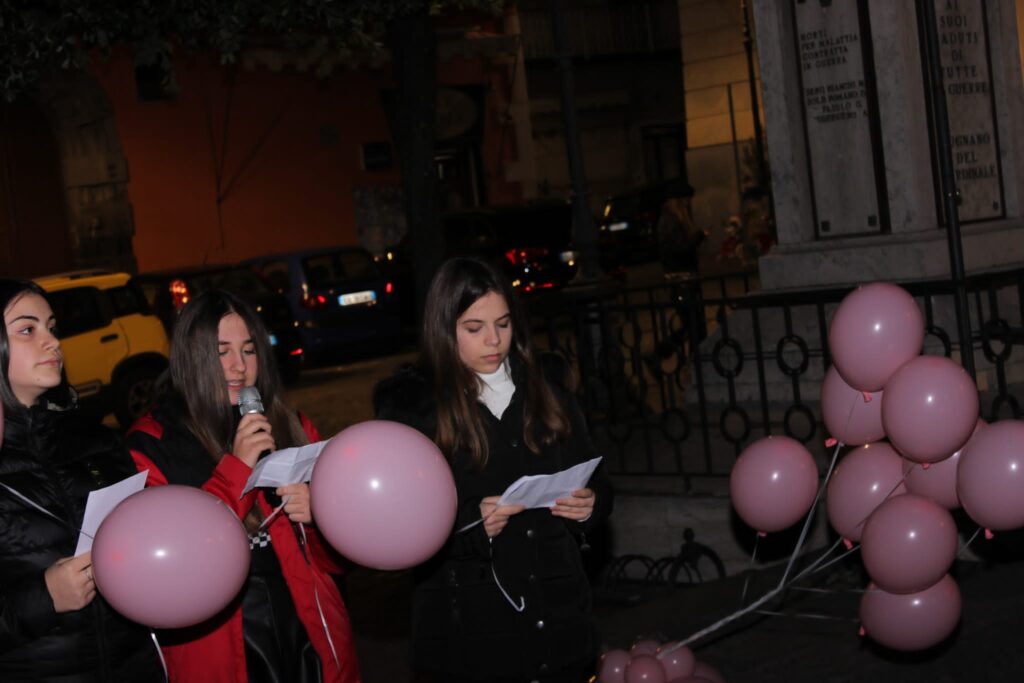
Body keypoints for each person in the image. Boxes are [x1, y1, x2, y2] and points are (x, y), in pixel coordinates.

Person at [374, 257, 613, 683]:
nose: (494, 340)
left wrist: (591, 504)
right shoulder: (418, 411)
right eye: (474, 328)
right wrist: (470, 523)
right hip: (471, 627)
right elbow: (398, 525)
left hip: (559, 618)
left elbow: (594, 475)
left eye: (503, 324)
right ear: (444, 330)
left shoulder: (547, 388)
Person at [125, 289, 359, 683]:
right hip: (221, 641)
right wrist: (237, 469)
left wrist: (322, 516)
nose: (239, 367)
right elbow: (170, 566)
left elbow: (337, 562)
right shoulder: (152, 445)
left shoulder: (289, 425)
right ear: (192, 356)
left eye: (249, 351)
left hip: (306, 631)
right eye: (222, 352)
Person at [0, 279, 163, 680]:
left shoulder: (97, 440)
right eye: (27, 329)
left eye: (52, 327)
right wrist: (45, 598)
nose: (53, 341)